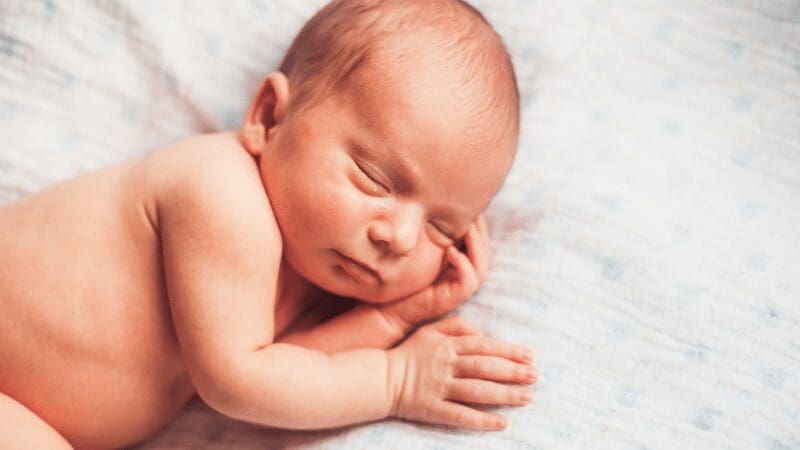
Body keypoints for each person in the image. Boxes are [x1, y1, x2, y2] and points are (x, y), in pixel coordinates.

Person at [0, 0, 536, 448]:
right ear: (270, 117)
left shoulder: (299, 274)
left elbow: (287, 378)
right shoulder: (220, 190)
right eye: (374, 178)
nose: (399, 237)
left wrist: (395, 319)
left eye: (442, 228)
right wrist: (396, 379)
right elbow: (238, 382)